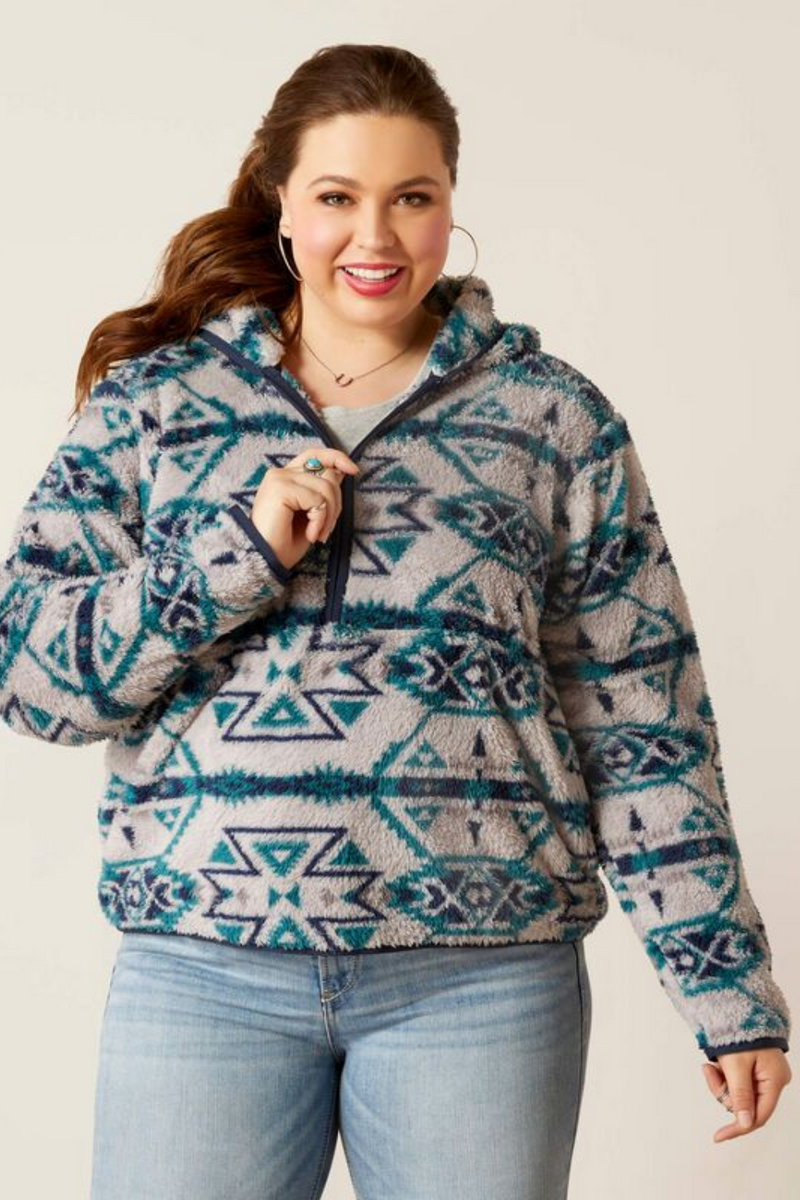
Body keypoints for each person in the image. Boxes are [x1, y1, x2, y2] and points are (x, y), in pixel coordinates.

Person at [0, 41, 792, 1200]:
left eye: (411, 198)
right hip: (202, 978)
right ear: (280, 202)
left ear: (449, 204)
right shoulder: (155, 405)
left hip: (481, 985)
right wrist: (232, 557)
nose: (374, 237)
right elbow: (31, 680)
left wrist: (724, 993)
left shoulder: (552, 421)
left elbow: (641, 724)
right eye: (336, 197)